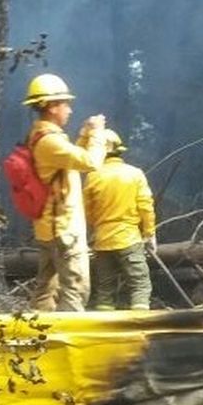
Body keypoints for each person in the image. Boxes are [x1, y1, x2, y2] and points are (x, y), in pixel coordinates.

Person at [23, 73, 106, 311]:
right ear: (51, 107)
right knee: (75, 291)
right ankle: (67, 342)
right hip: (64, 230)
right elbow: (90, 162)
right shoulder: (49, 142)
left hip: (50, 228)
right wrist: (98, 133)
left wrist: (83, 135)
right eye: (65, 104)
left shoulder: (41, 137)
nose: (69, 109)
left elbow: (69, 161)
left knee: (46, 293)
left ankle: (39, 340)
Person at [82, 129, 158, 310]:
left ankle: (104, 331)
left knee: (104, 291)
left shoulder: (92, 177)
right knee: (140, 285)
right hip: (129, 239)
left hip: (102, 241)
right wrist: (149, 233)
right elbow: (146, 206)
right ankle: (140, 328)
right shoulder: (135, 173)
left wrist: (97, 229)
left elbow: (87, 212)